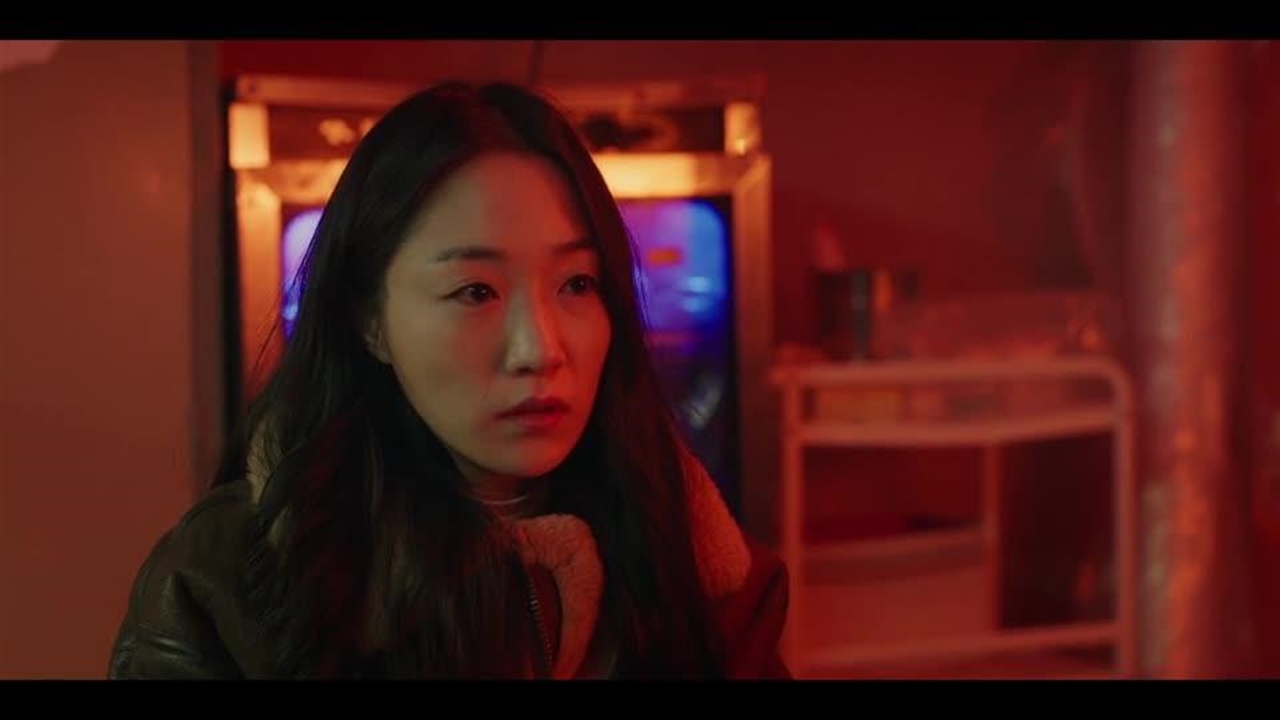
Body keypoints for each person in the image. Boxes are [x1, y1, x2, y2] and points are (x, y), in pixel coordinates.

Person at [107, 81, 791, 680]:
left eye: (578, 284)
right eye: (475, 291)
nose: (539, 350)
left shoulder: (698, 567)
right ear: (370, 321)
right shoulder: (229, 587)